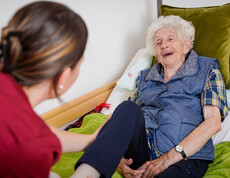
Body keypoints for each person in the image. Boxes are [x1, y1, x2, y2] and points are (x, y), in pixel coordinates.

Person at [74, 15, 228, 177]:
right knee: (127, 108)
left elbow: (213, 122)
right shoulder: (145, 77)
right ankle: (85, 174)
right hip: (142, 154)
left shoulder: (207, 70)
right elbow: (123, 120)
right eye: (158, 42)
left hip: (185, 157)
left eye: (170, 39)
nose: (164, 45)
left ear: (186, 46)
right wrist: (116, 155)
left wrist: (169, 157)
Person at [0, 1, 107, 177]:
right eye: (80, 63)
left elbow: (38, 130)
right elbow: (29, 138)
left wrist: (90, 140)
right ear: (63, 76)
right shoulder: (27, 149)